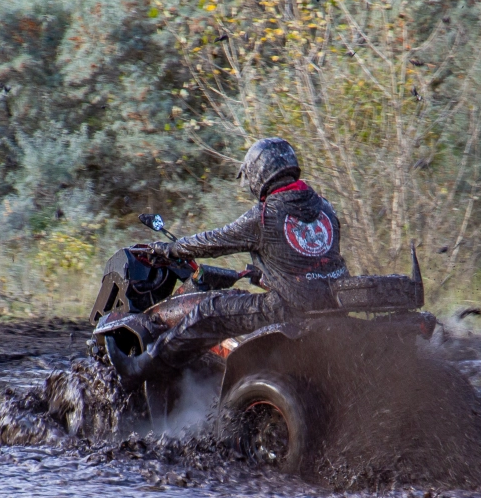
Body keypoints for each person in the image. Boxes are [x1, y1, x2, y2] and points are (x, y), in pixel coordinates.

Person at [105, 137, 348, 383]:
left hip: (287, 308)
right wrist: (264, 275)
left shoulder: (265, 214)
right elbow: (313, 261)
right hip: (332, 303)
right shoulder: (324, 207)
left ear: (260, 174)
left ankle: (145, 366)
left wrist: (170, 250)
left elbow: (213, 241)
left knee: (209, 311)